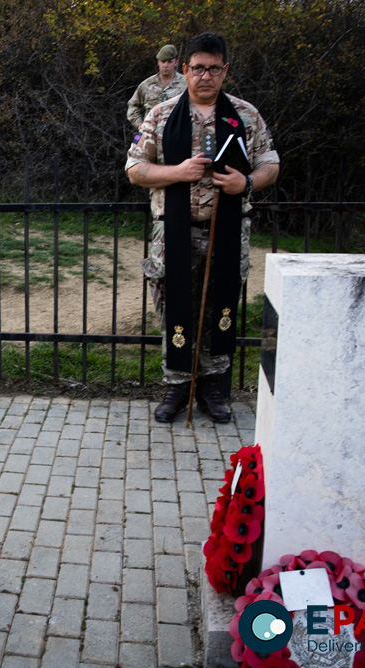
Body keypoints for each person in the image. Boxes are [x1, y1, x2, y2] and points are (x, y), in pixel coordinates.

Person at [125, 32, 280, 424]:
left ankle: (212, 387)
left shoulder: (245, 115)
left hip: (225, 231)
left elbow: (270, 163)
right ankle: (177, 385)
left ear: (224, 70)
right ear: (184, 69)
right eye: (197, 69)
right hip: (174, 232)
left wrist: (246, 183)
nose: (205, 76)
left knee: (217, 308)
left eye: (213, 69)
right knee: (174, 307)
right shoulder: (159, 115)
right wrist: (176, 172)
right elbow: (134, 169)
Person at [127, 44, 187, 131]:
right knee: (135, 143)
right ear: (158, 62)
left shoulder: (186, 84)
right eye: (163, 61)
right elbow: (133, 106)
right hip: (150, 136)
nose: (165, 65)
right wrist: (140, 125)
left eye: (169, 62)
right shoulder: (146, 85)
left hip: (177, 134)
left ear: (176, 62)